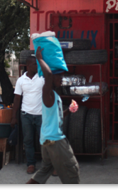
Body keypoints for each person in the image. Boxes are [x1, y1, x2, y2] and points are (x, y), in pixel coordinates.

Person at [26, 47, 80, 184]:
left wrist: (69, 110)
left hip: (46, 141)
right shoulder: (47, 94)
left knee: (44, 171)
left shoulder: (55, 96)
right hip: (55, 141)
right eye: (59, 76)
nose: (62, 79)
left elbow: (57, 117)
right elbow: (48, 75)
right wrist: (39, 58)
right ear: (51, 77)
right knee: (72, 171)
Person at [11, 55, 44, 174]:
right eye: (35, 64)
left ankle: (48, 165)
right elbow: (17, 99)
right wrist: (14, 117)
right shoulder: (21, 80)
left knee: (44, 141)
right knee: (28, 140)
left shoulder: (42, 78)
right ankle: (31, 164)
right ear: (28, 66)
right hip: (26, 115)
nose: (37, 66)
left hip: (41, 115)